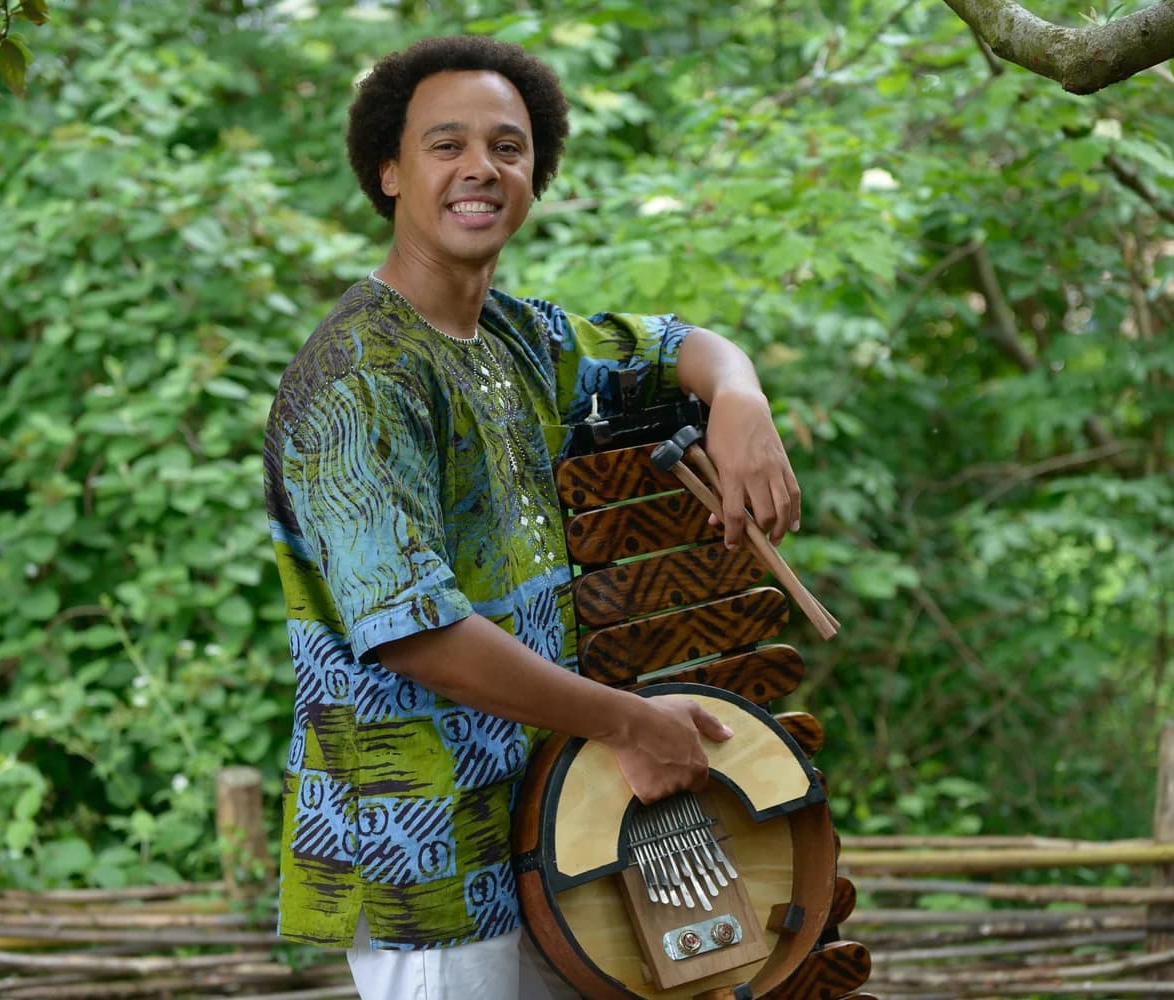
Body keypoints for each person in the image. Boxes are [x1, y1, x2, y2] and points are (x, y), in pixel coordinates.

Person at [262, 34, 802, 1000]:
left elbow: (679, 344)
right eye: (446, 145)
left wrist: (742, 400)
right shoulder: (356, 378)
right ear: (388, 171)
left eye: (508, 147)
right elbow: (414, 632)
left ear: (536, 172)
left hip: (555, 831)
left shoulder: (518, 338)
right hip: (425, 863)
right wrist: (631, 725)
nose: (481, 169)